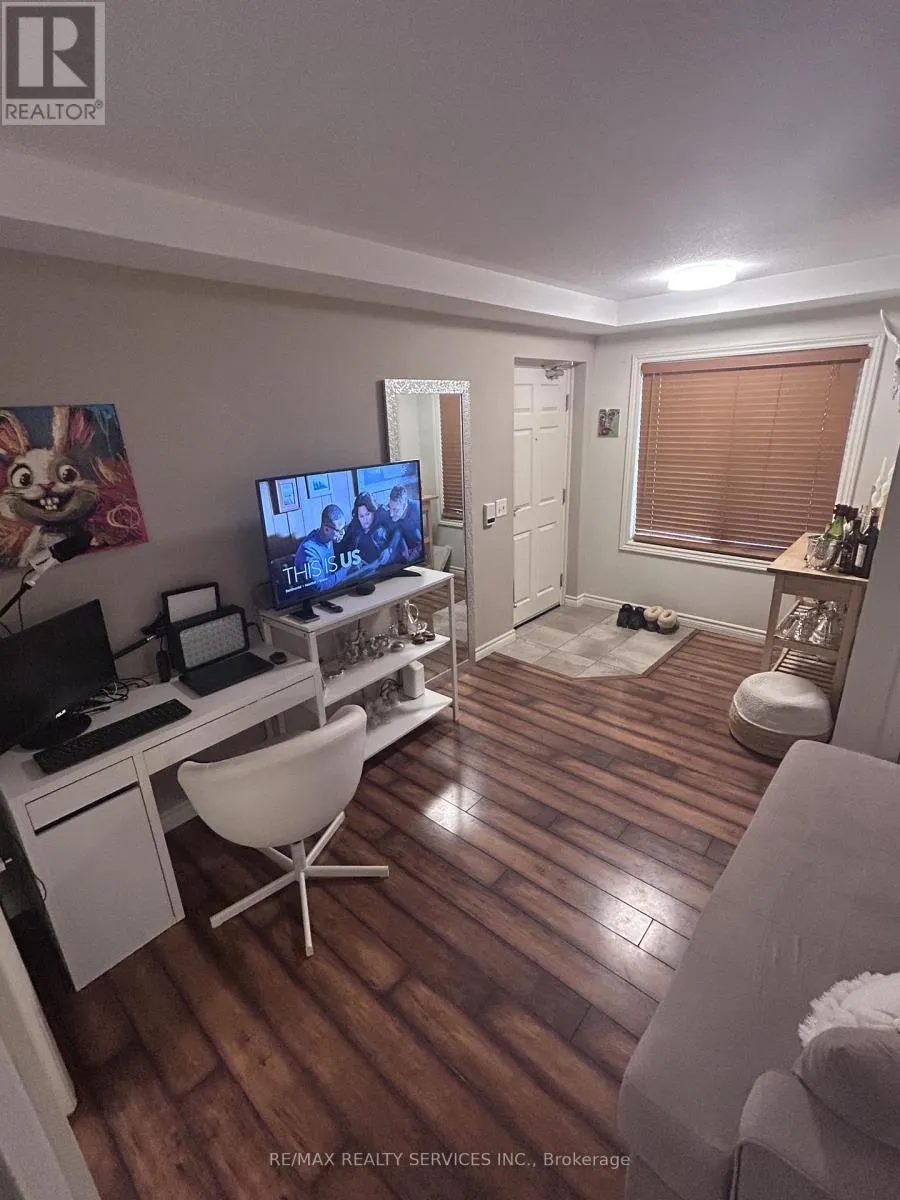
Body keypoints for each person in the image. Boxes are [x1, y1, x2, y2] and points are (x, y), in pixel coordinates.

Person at [294, 503, 352, 591]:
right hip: (311, 596)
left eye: (344, 527)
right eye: (339, 530)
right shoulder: (308, 551)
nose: (343, 533)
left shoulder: (327, 537)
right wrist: (347, 569)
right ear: (326, 529)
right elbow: (320, 586)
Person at [340, 492, 394, 565]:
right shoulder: (353, 526)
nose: (365, 519)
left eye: (367, 514)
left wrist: (390, 548)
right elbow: (345, 549)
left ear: (373, 511)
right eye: (361, 516)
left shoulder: (383, 516)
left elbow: (397, 530)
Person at [387, 484, 423, 563]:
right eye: (390, 508)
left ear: (404, 505)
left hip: (417, 550)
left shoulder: (417, 509)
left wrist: (415, 552)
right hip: (402, 549)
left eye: (395, 510)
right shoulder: (391, 508)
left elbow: (423, 539)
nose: (391, 514)